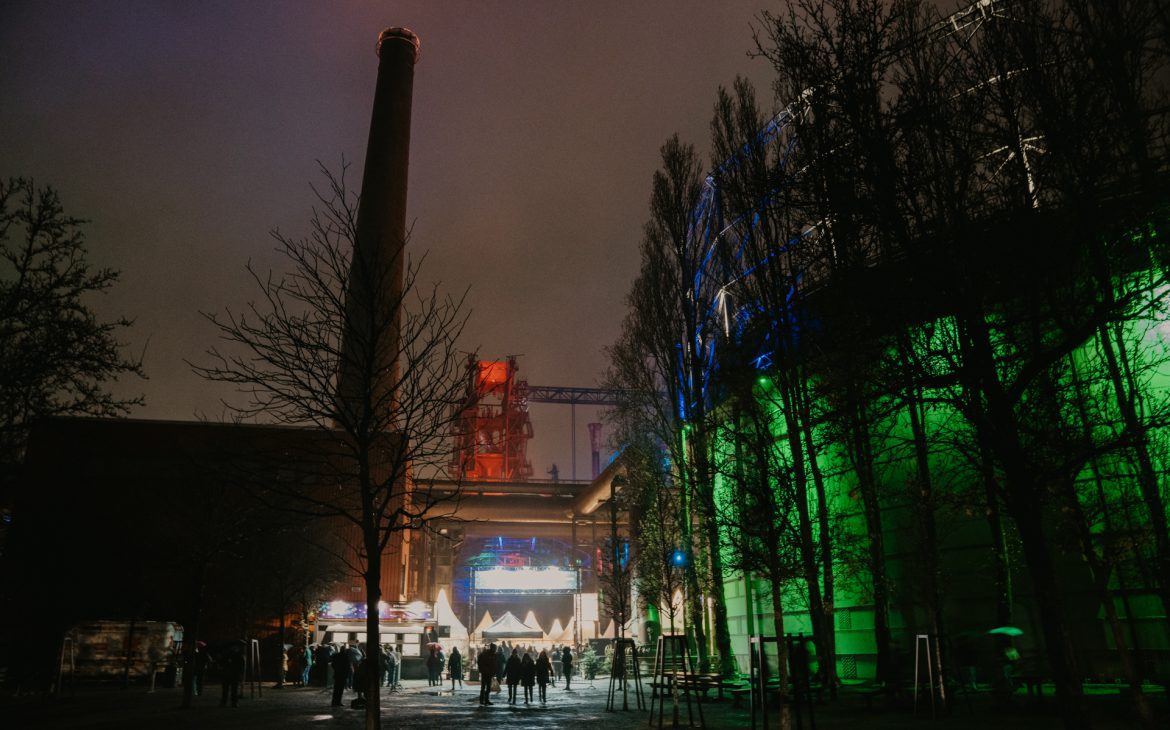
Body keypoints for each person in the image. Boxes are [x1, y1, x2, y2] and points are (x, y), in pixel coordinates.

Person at [220, 642, 245, 707]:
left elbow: (222, 662)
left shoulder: (227, 653)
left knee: (226, 689)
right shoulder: (239, 655)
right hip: (234, 674)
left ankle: (224, 702)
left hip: (228, 673)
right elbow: (241, 666)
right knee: (233, 689)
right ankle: (233, 703)